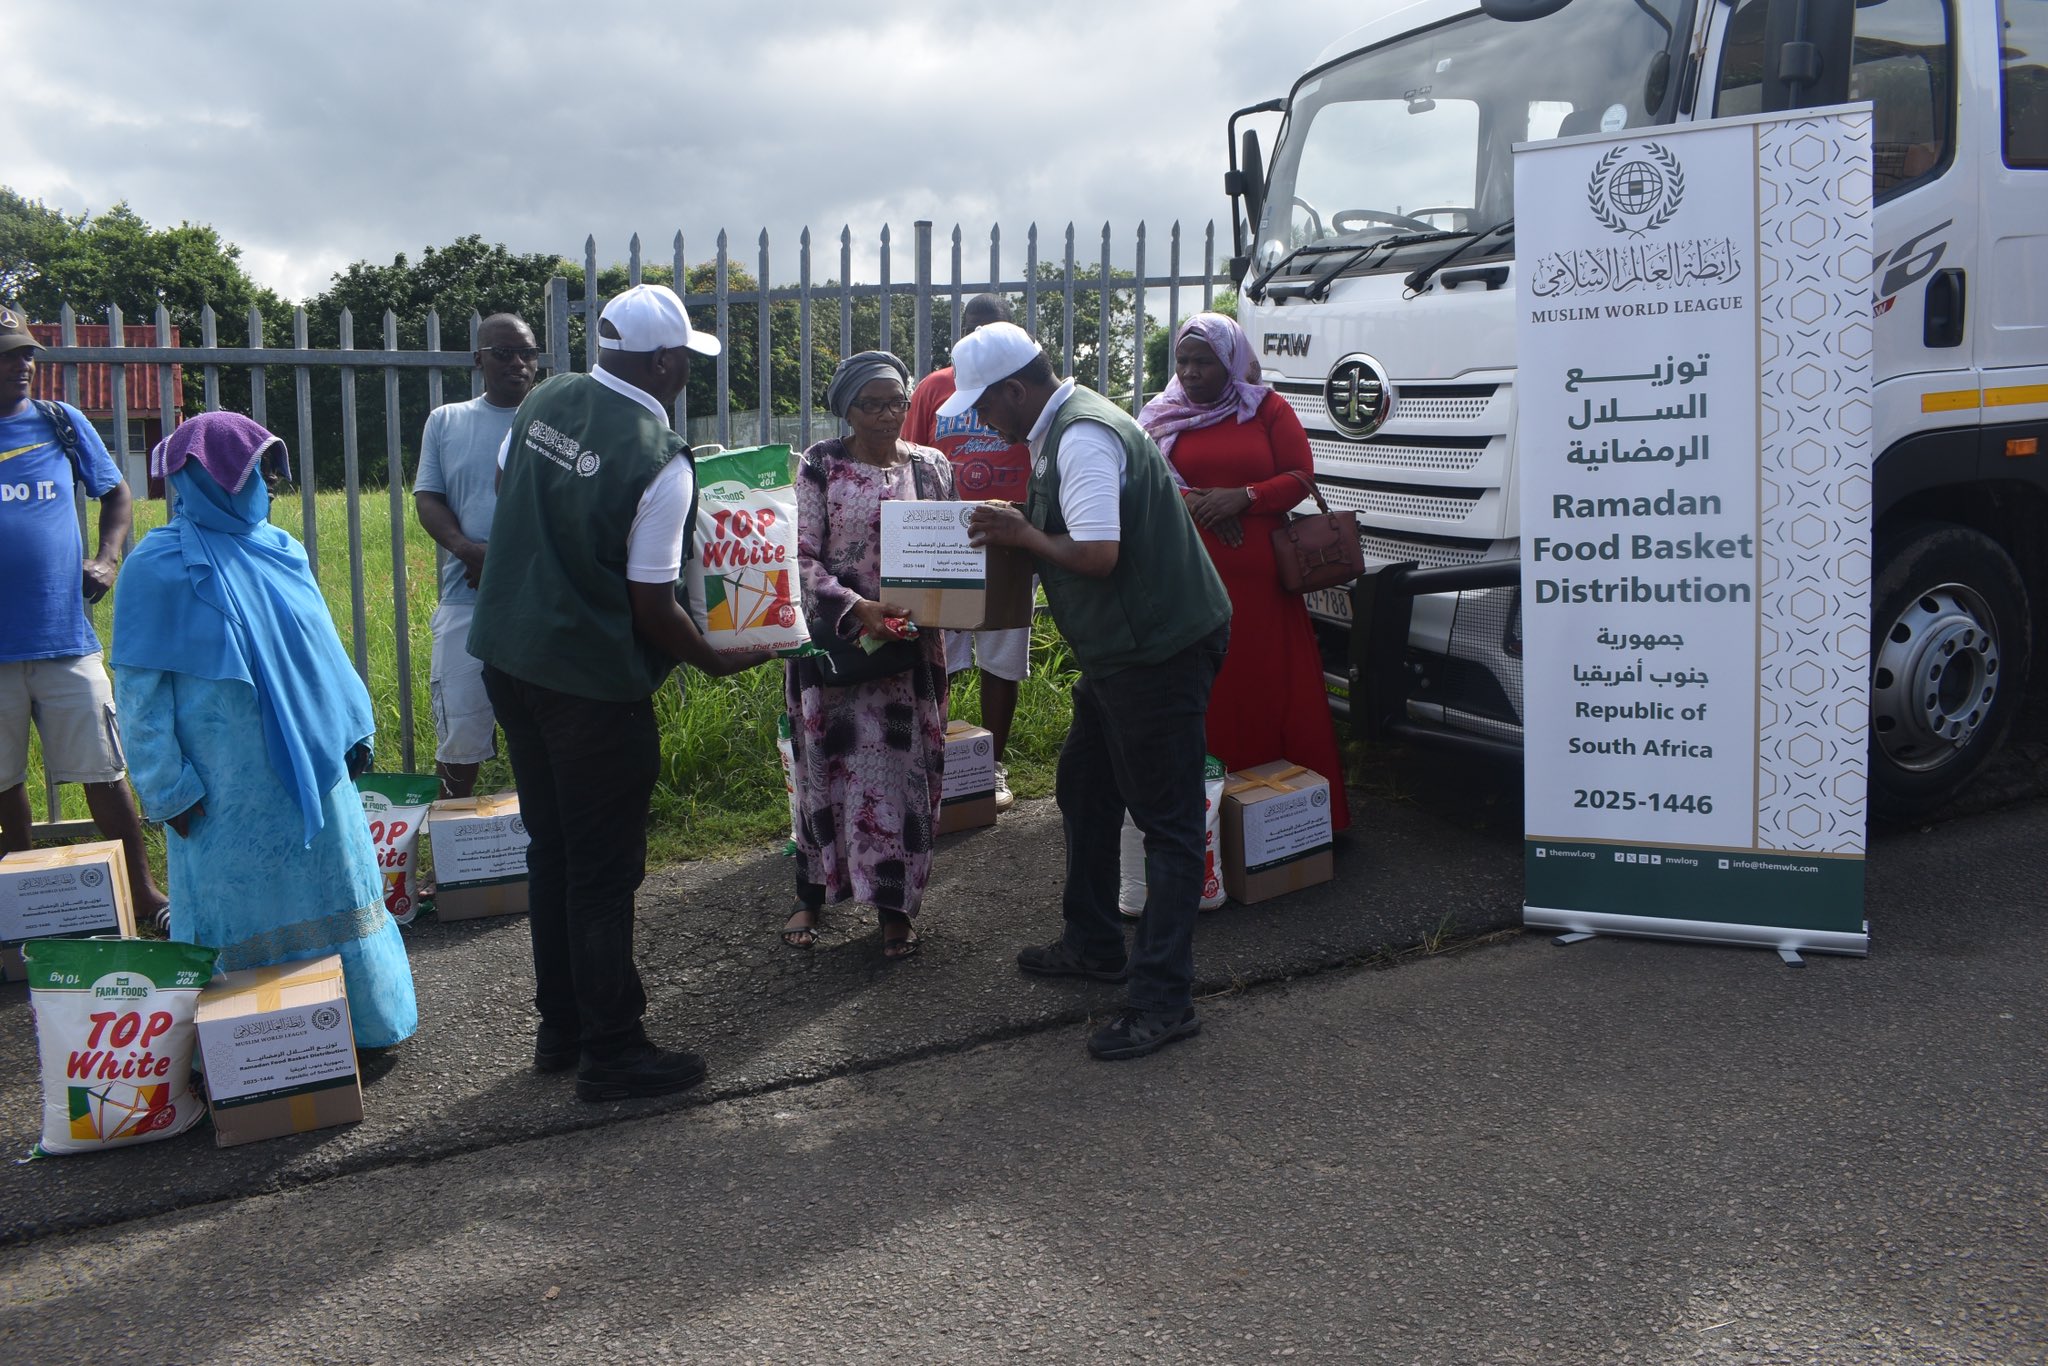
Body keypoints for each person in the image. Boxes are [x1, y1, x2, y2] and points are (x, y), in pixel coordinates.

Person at [467, 283, 771, 1103]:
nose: (686, 376)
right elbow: (651, 604)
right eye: (686, 362)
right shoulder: (658, 454)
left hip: (509, 658)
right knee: (602, 870)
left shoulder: (548, 396)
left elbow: (505, 488)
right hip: (589, 688)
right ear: (666, 362)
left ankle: (559, 1027)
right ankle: (612, 1047)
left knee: (553, 851)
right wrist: (715, 660)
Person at [956, 324, 1232, 1062]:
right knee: (1083, 785)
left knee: (1168, 825)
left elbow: (1100, 555)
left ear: (1016, 389)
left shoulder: (1079, 438)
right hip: (1124, 654)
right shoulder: (1064, 427)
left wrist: (1024, 538)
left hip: (1156, 652)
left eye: (984, 407)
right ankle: (1093, 943)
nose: (982, 423)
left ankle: (1163, 1000)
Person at [109, 412, 416, 1048]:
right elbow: (138, 695)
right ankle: (255, 1052)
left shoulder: (281, 548)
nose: (268, 489)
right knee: (236, 915)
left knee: (334, 893)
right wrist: (167, 789)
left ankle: (355, 1030)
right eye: (254, 474)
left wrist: (355, 727)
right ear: (209, 479)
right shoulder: (156, 567)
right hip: (222, 796)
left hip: (314, 769)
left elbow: (323, 652)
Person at [1138, 313, 1350, 831]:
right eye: (1183, 361)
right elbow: (1147, 478)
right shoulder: (1160, 415)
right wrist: (1198, 504)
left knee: (1272, 686)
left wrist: (1244, 498)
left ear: (1230, 362)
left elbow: (1300, 475)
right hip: (1193, 576)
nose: (1190, 372)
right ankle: (1211, 825)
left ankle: (1295, 821)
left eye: (1204, 362)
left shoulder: (1266, 408)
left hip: (1263, 589)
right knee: (1210, 693)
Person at [0, 306, 170, 929]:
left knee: (104, 771)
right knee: (3, 782)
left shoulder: (59, 423)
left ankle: (144, 895)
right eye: (8, 354)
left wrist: (107, 558)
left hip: (63, 638)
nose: (23, 364)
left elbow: (116, 491)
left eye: (25, 352)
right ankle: (22, 912)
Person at [782, 351, 955, 960]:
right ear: (846, 410)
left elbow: (948, 551)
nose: (887, 415)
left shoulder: (931, 466)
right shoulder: (821, 465)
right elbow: (800, 558)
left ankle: (894, 905)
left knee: (903, 778)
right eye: (871, 404)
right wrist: (859, 608)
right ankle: (812, 889)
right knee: (822, 770)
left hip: (908, 653)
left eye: (896, 402)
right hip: (836, 649)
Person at [905, 294, 1031, 810]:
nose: (978, 339)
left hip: (1009, 532)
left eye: (990, 329)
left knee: (1002, 652)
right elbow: (911, 457)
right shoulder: (935, 387)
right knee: (943, 652)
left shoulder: (1022, 392)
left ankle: (990, 764)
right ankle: (945, 762)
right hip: (947, 534)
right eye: (970, 330)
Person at [413, 313, 538, 799]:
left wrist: (509, 561)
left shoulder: (556, 421)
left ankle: (541, 852)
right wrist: (469, 551)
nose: (518, 364)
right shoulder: (447, 421)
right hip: (467, 597)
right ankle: (452, 864)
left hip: (540, 601)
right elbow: (428, 498)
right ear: (479, 358)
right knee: (460, 734)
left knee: (546, 732)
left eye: (527, 353)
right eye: (504, 353)